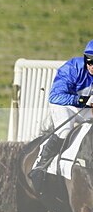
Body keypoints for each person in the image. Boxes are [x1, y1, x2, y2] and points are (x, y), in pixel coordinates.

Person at [28, 39, 93, 190]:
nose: (92, 66)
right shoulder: (72, 68)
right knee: (65, 129)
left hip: (84, 107)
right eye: (89, 62)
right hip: (64, 105)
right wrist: (82, 100)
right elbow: (55, 96)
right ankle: (40, 166)